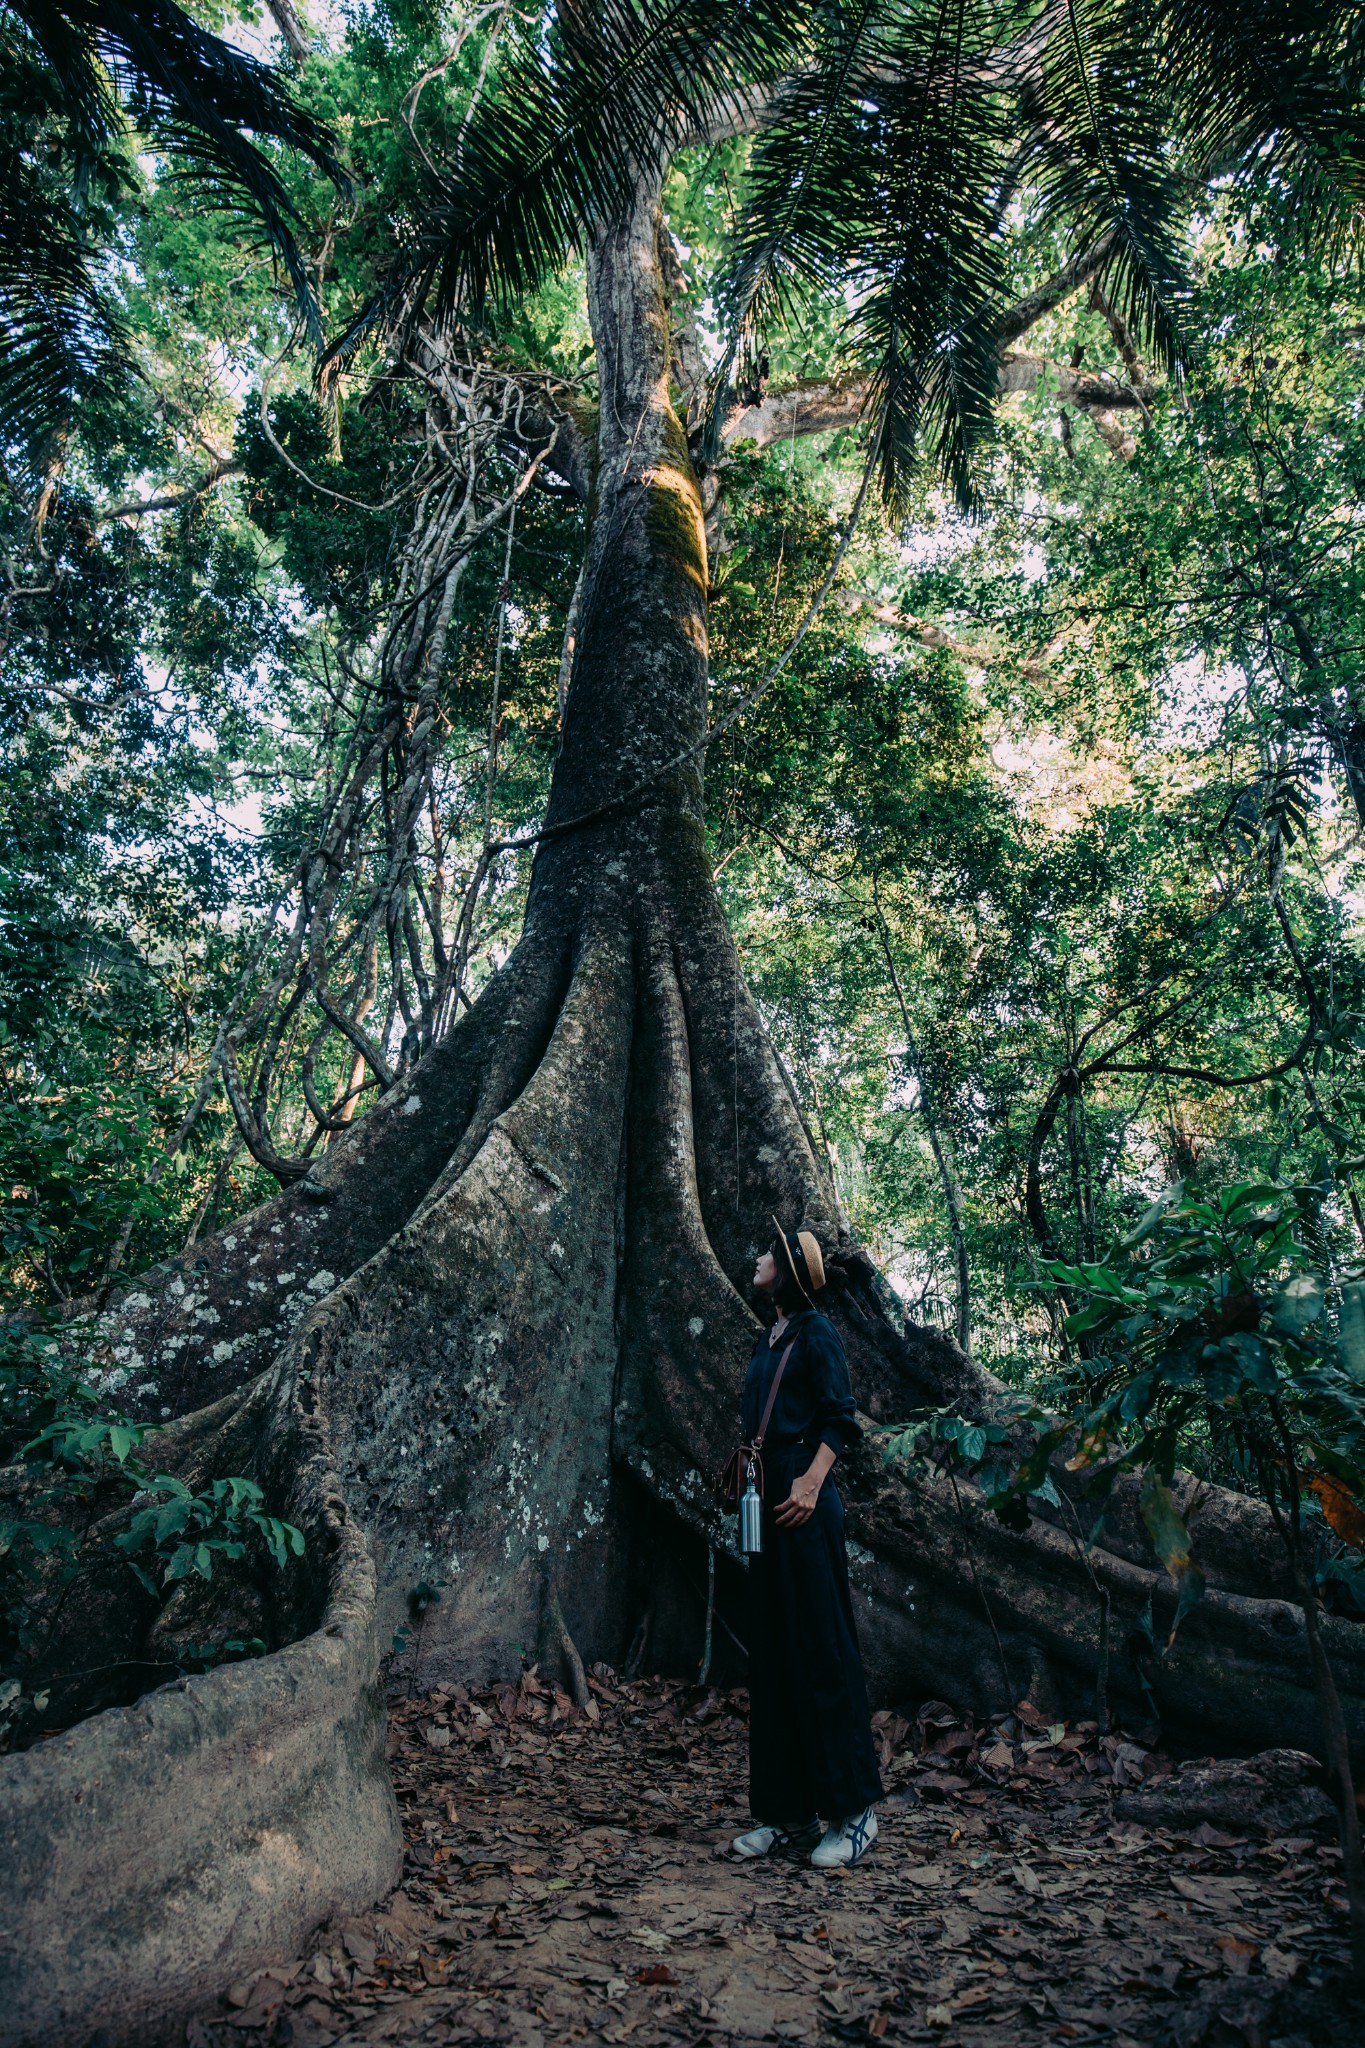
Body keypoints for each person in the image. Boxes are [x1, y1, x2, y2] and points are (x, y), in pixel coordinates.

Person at [731, 1219, 883, 1868]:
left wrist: (811, 1484)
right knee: (772, 1656)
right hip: (763, 1503)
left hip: (801, 1504)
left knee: (820, 1650)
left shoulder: (816, 1333)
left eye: (769, 1252)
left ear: (790, 1268)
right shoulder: (768, 1338)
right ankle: (785, 1813)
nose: (758, 1257)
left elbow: (839, 1417)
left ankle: (853, 1814)